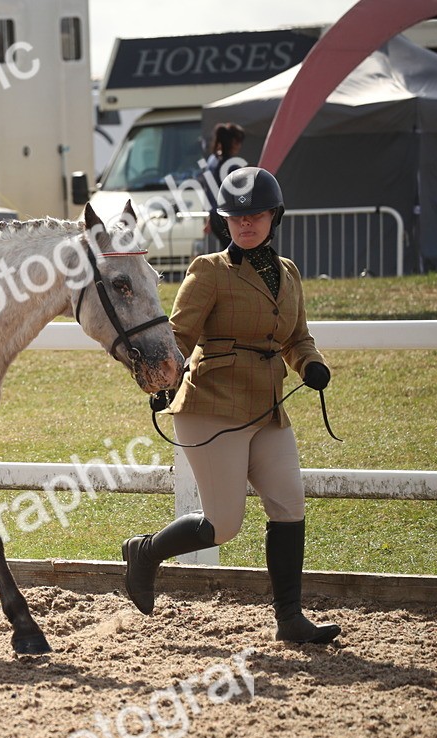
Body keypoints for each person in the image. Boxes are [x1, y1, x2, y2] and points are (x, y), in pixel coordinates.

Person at [124, 166, 341, 645]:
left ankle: (290, 619)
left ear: (274, 217)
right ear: (225, 221)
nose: (246, 223)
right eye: (237, 216)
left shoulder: (289, 274)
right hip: (211, 406)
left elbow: (297, 338)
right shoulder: (209, 270)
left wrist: (311, 365)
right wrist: (162, 377)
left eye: (256, 215)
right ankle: (145, 552)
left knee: (289, 505)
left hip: (267, 408)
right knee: (223, 524)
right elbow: (178, 335)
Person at [202, 123, 246, 247]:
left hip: (215, 217)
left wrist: (210, 217)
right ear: (233, 142)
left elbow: (209, 191)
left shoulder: (212, 161)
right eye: (238, 142)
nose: (239, 146)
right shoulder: (232, 166)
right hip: (228, 218)